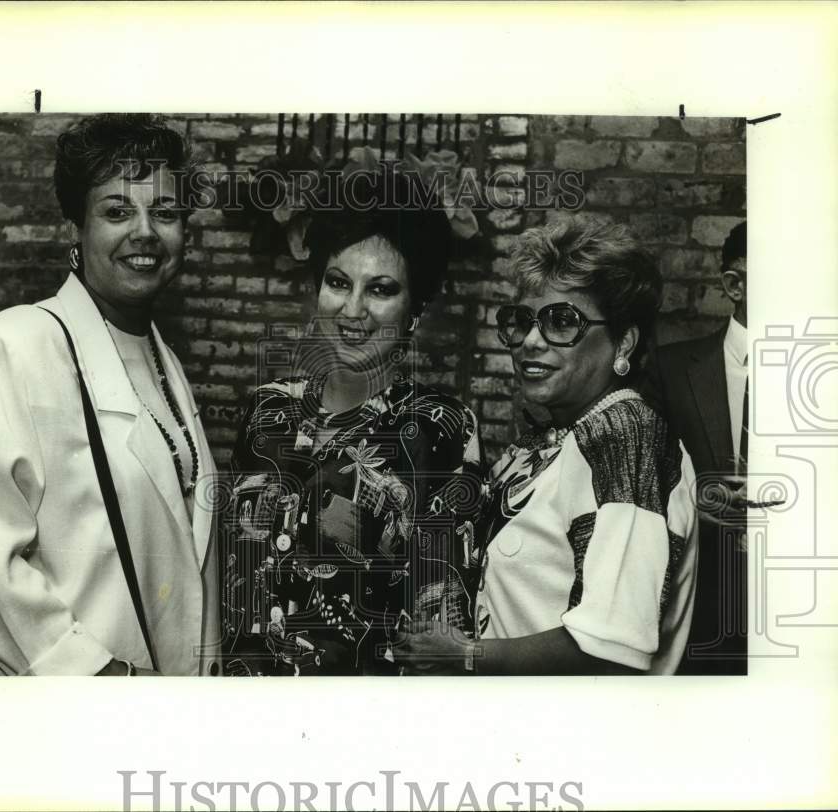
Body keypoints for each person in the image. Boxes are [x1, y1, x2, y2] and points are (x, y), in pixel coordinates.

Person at [0, 114, 219, 676]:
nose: (144, 231)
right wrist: (96, 675)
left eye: (164, 212)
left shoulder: (164, 363)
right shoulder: (14, 346)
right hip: (69, 713)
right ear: (76, 227)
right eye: (117, 211)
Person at [398, 218, 698, 675]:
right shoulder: (556, 438)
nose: (530, 342)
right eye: (522, 321)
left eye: (562, 321)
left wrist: (462, 654)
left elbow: (612, 644)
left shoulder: (627, 438)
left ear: (624, 340)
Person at [221, 171, 482, 676]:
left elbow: (439, 622)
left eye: (380, 289)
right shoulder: (265, 409)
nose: (353, 310)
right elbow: (232, 574)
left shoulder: (441, 429)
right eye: (338, 282)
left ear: (415, 309)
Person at [641, 221, 748, 675]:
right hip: (696, 620)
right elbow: (639, 486)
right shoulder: (669, 370)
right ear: (734, 284)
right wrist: (695, 506)